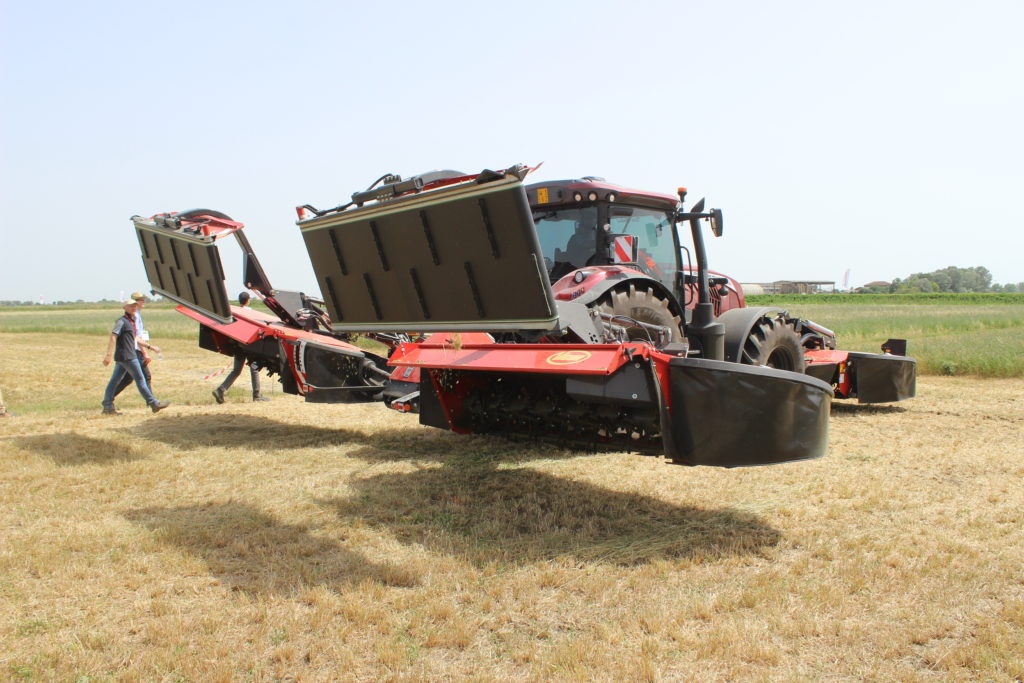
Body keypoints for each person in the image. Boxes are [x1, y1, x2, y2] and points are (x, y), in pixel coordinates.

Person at [102, 299, 170, 414]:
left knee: (114, 381)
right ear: (125, 308)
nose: (134, 308)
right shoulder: (122, 321)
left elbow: (135, 338)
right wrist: (108, 355)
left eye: (135, 306)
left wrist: (150, 347)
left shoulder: (130, 321)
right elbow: (113, 336)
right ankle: (154, 403)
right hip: (128, 356)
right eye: (131, 306)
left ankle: (107, 407)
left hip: (124, 357)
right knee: (140, 379)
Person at [212, 291, 269, 403]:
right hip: (250, 346)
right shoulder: (250, 313)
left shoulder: (235, 313)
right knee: (254, 369)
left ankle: (220, 390)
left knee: (236, 371)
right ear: (248, 301)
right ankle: (256, 395)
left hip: (237, 346)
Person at [112, 291, 160, 399]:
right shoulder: (135, 316)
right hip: (135, 351)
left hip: (134, 350)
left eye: (143, 300)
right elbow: (136, 336)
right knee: (145, 376)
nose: (143, 302)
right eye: (140, 300)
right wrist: (146, 352)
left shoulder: (137, 315)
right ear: (135, 302)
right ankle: (152, 402)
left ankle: (109, 399)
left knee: (128, 378)